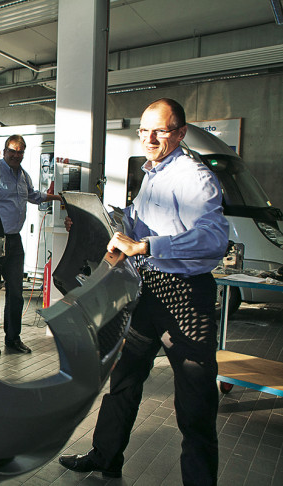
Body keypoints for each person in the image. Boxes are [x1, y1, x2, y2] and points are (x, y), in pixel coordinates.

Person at [58, 98, 228, 485]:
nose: (149, 138)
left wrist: (149, 246)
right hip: (148, 291)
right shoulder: (152, 173)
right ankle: (106, 457)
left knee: (195, 400)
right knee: (124, 378)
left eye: (161, 131)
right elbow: (136, 222)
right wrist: (102, 225)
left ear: (180, 133)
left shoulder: (195, 177)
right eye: (144, 130)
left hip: (186, 296)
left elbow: (214, 239)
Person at [0, 135, 62, 355]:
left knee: (16, 293)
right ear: (5, 151)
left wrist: (56, 197)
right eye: (13, 151)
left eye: (21, 151)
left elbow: (33, 196)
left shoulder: (23, 175)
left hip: (14, 241)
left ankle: (13, 339)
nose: (16, 155)